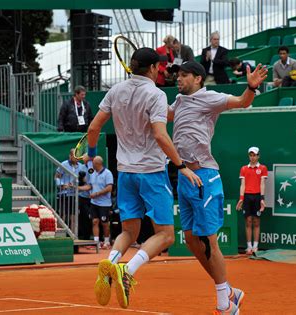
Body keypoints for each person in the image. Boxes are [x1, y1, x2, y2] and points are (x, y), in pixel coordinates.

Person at [87, 47, 202, 309]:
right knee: (166, 235)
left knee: (129, 230)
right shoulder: (156, 94)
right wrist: (181, 165)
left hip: (125, 172)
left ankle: (111, 261)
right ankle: (127, 270)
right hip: (151, 172)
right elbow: (161, 135)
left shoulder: (116, 90)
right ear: (152, 69)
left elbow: (94, 127)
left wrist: (91, 156)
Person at [168, 60, 268, 314]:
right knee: (191, 239)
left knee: (208, 240)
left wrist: (251, 88)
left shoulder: (210, 98)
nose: (179, 79)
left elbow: (242, 102)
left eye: (184, 75)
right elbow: (162, 117)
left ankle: (225, 304)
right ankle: (229, 290)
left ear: (198, 79)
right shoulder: (179, 101)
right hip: (184, 175)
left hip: (205, 176)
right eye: (178, 75)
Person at [236, 147, 268, 255]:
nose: (252, 157)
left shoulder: (263, 168)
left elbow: (262, 184)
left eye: (254, 155)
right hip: (247, 197)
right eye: (251, 155)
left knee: (256, 222)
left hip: (257, 196)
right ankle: (249, 247)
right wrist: (241, 199)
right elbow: (242, 185)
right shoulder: (244, 169)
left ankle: (255, 246)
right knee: (248, 221)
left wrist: (262, 199)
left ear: (258, 156)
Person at [88, 156, 114, 249]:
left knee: (105, 223)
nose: (92, 165)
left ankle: (107, 242)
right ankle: (96, 243)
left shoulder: (108, 173)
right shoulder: (92, 173)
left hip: (105, 204)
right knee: (95, 221)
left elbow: (109, 188)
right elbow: (90, 186)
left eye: (93, 163)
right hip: (94, 202)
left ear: (97, 164)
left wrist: (97, 194)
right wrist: (77, 188)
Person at [55, 149, 83, 227]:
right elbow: (57, 177)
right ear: (70, 156)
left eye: (78, 156)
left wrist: (77, 185)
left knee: (74, 216)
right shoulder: (63, 164)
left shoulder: (81, 166)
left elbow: (83, 180)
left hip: (75, 195)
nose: (76, 157)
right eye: (75, 156)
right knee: (62, 215)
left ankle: (73, 236)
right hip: (64, 194)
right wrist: (62, 185)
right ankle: (60, 235)